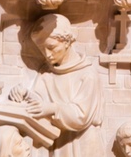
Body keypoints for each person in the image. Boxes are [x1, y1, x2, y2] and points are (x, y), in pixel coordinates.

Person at [7, 13, 105, 157]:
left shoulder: (87, 74)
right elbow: (41, 103)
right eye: (42, 49)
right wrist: (25, 94)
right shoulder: (47, 72)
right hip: (58, 142)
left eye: (51, 47)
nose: (47, 54)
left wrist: (52, 109)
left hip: (81, 142)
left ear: (67, 41)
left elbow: (82, 116)